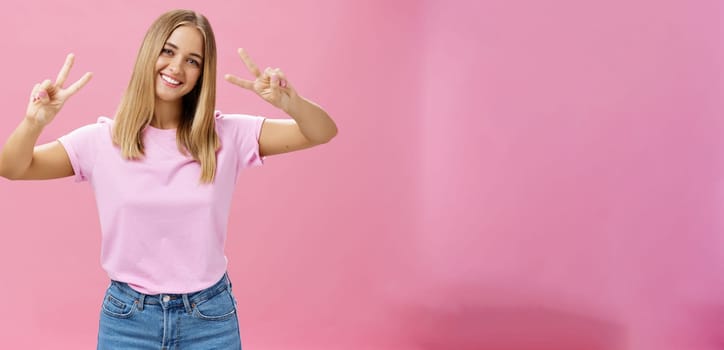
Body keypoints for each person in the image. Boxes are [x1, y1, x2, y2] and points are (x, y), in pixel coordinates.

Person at [0, 9, 337, 349]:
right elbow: (12, 168)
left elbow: (322, 132)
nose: (177, 68)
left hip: (209, 318)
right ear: (150, 52)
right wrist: (34, 122)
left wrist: (290, 102)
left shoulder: (227, 135)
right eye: (168, 51)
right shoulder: (100, 141)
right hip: (127, 320)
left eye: (193, 61)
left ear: (203, 74)